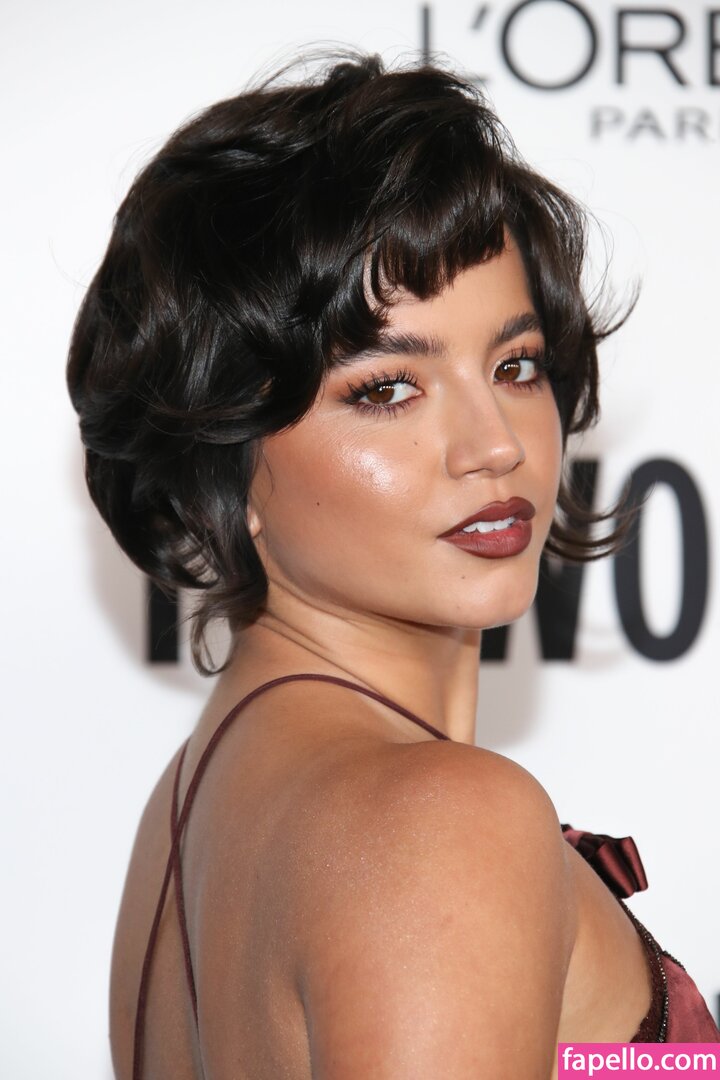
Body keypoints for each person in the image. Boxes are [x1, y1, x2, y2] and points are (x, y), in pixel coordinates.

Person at [67, 52, 719, 1080]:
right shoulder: (440, 822)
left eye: (516, 365)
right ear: (222, 460)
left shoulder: (196, 802)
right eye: (386, 390)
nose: (495, 444)